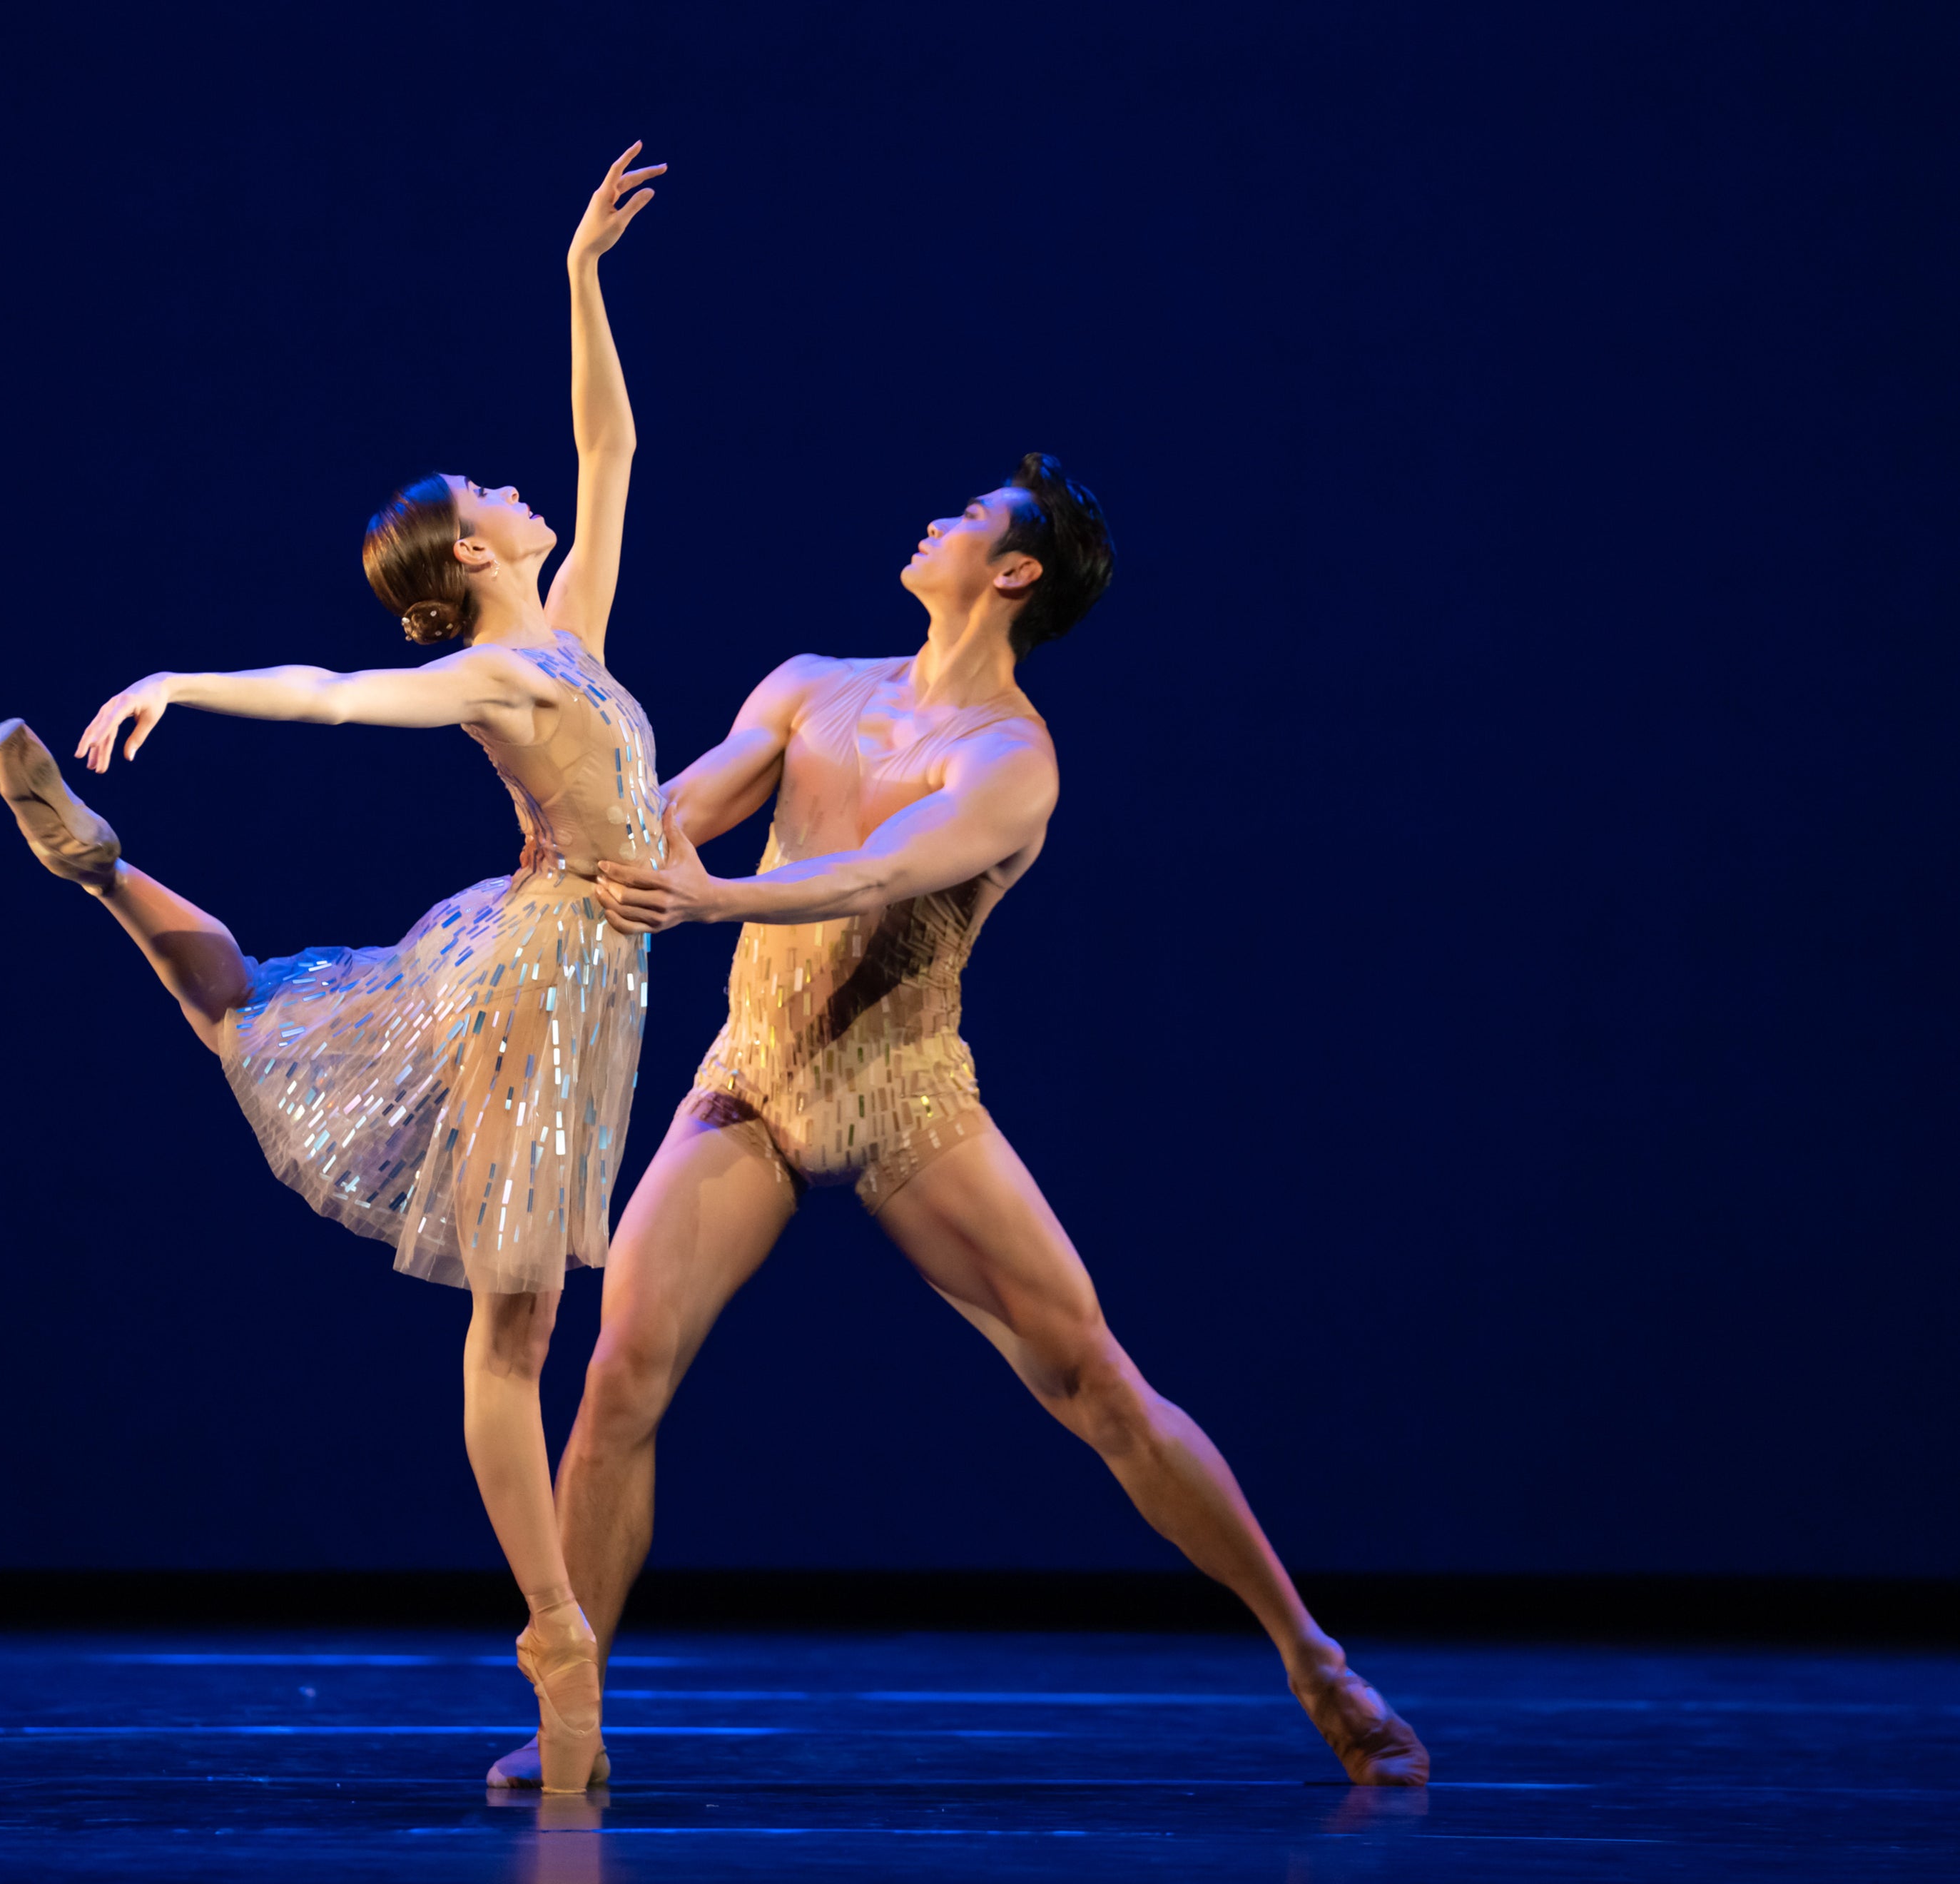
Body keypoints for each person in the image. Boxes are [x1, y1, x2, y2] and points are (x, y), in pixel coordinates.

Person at [494, 453, 1430, 1788]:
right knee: (618, 1378)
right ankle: (566, 1726)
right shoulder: (813, 685)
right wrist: (570, 826)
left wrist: (709, 904)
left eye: (969, 516)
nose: (934, 517)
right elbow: (681, 812)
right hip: (749, 1077)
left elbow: (878, 871)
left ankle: (1315, 1661)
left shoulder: (1010, 761)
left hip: (905, 1095)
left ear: (1014, 572)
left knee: (1095, 1382)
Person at [0, 146, 671, 1794]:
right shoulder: (500, 678)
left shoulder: (565, 626)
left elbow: (611, 439)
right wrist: (185, 682)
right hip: (538, 992)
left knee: (259, 1018)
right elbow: (340, 693)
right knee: (507, 1332)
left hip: (568, 971)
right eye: (490, 496)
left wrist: (576, 274)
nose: (525, 488)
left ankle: (98, 872)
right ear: (471, 557)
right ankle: (556, 1631)